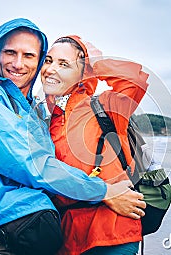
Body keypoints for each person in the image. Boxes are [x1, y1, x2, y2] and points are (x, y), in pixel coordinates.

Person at [0, 18, 145, 255]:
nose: (18, 63)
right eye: (10, 52)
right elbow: (30, 164)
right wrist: (103, 191)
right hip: (14, 232)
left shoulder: (90, 108)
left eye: (30, 56)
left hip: (102, 232)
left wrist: (93, 63)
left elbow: (135, 82)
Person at [41, 36, 149, 254]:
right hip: (66, 237)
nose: (52, 69)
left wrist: (94, 62)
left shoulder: (107, 106)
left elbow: (134, 80)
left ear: (83, 71)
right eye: (48, 60)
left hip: (113, 234)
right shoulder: (41, 120)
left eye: (64, 64)